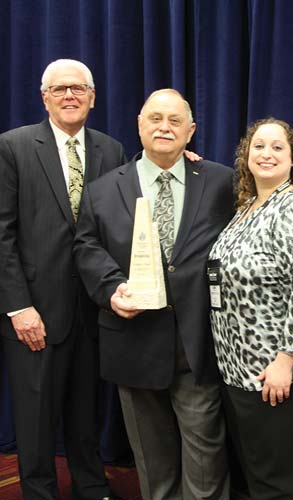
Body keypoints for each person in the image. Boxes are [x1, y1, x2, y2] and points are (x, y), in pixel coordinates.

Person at [73, 88, 233, 500]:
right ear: (139, 125)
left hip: (198, 341)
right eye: (155, 119)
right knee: (152, 459)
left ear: (191, 130)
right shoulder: (102, 189)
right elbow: (86, 248)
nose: (164, 127)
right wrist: (112, 289)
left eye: (175, 121)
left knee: (205, 457)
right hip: (134, 338)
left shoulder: (221, 181)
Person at [0, 59, 126, 500]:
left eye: (78, 88)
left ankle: (93, 487)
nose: (69, 96)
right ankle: (39, 492)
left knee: (87, 413)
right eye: (60, 89)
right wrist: (18, 306)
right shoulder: (12, 147)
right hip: (34, 312)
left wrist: (185, 162)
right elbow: (2, 233)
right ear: (44, 97)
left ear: (93, 97)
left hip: (93, 311)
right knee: (34, 419)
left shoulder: (112, 150)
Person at [208, 117, 293, 500]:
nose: (267, 154)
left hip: (278, 373)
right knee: (260, 478)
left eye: (278, 147)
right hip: (240, 370)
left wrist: (286, 360)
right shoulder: (246, 207)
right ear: (245, 155)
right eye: (259, 146)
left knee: (280, 483)